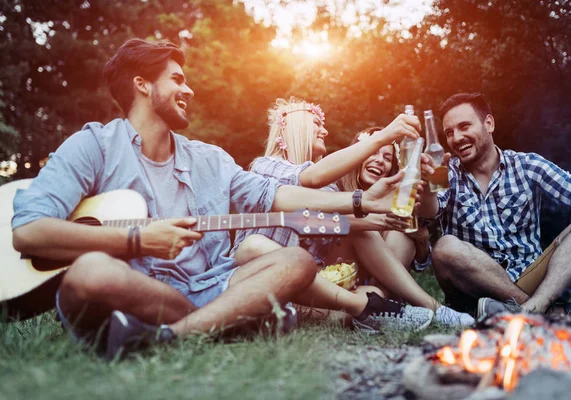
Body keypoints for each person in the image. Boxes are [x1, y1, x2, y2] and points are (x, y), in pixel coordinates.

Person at [11, 39, 412, 360]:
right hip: (134, 287)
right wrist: (137, 241)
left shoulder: (209, 158)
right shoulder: (93, 145)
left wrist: (360, 202)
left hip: (209, 286)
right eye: (177, 79)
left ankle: (168, 336)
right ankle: (236, 319)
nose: (189, 89)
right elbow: (29, 232)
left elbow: (276, 195)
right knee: (89, 272)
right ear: (142, 84)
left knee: (297, 261)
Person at [233, 98, 474, 327]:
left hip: (312, 277)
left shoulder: (329, 186)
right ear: (294, 129)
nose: (324, 131)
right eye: (317, 124)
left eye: (387, 157)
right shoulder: (265, 166)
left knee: (363, 242)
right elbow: (311, 179)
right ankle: (359, 312)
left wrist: (391, 216)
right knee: (355, 237)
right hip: (266, 271)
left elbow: (334, 222)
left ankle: (428, 309)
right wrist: (384, 136)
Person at [419, 92, 571, 318]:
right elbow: (428, 214)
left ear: (489, 123)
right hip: (473, 288)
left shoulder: (526, 165)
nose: (456, 138)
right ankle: (543, 312)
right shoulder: (445, 171)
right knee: (445, 247)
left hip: (529, 279)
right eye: (449, 132)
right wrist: (427, 188)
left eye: (464, 126)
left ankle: (527, 310)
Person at [338, 127, 432, 273]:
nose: (380, 160)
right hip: (340, 271)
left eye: (387, 158)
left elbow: (419, 265)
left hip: (381, 277)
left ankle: (380, 294)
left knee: (401, 235)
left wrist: (423, 239)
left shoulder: (396, 199)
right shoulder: (336, 187)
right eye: (373, 152)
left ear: (390, 169)